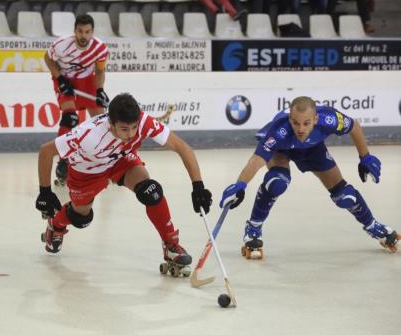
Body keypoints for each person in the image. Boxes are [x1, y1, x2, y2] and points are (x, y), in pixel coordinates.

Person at [36, 93, 213, 277]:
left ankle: (171, 245)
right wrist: (45, 192)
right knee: (81, 218)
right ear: (110, 124)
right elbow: (46, 151)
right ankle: (55, 226)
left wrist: (198, 186)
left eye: (134, 128)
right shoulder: (88, 134)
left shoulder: (143, 122)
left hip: (120, 161)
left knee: (150, 191)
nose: (130, 134)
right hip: (87, 171)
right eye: (124, 129)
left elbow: (182, 147)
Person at [219, 96, 399, 259]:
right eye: (295, 123)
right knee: (277, 183)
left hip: (313, 150)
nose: (300, 129)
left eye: (306, 123)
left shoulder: (330, 119)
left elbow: (354, 126)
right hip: (282, 150)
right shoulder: (280, 130)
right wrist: (240, 185)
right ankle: (254, 228)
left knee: (345, 196)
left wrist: (365, 157)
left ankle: (374, 227)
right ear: (290, 119)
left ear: (316, 119)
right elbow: (258, 159)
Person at [44, 14, 110, 185]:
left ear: (92, 32)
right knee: (70, 117)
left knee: (100, 121)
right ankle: (64, 162)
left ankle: (104, 161)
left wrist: (100, 90)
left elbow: (100, 71)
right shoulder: (61, 45)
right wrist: (60, 79)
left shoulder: (100, 48)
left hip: (87, 80)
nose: (83, 36)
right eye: (80, 31)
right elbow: (48, 59)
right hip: (64, 78)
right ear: (75, 31)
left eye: (87, 32)